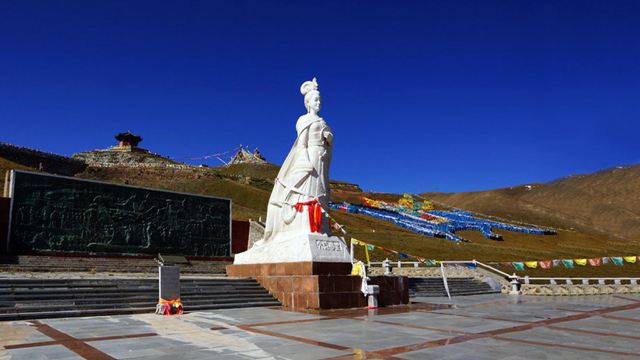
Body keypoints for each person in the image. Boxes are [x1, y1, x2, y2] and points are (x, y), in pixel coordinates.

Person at [261, 78, 333, 241]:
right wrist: (305, 161)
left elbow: (327, 141)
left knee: (321, 190)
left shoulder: (323, 121)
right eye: (316, 99)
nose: (319, 102)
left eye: (320, 99)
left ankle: (321, 225)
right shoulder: (304, 120)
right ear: (308, 102)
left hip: (322, 158)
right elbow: (302, 144)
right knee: (309, 189)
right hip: (311, 156)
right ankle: (306, 223)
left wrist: (329, 139)